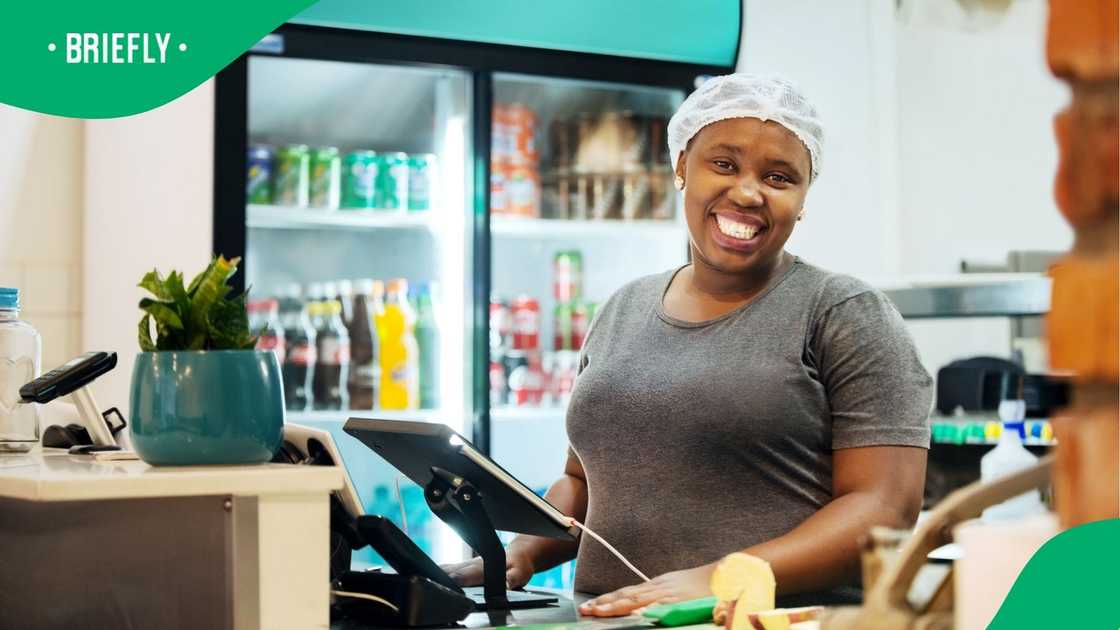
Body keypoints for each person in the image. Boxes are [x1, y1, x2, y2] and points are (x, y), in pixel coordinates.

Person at [447, 74, 933, 616]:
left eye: (779, 177)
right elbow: (583, 481)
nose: (748, 193)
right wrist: (520, 553)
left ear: (803, 198)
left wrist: (722, 578)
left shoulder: (843, 312)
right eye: (724, 164)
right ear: (682, 167)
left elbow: (883, 505)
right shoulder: (624, 307)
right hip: (609, 621)